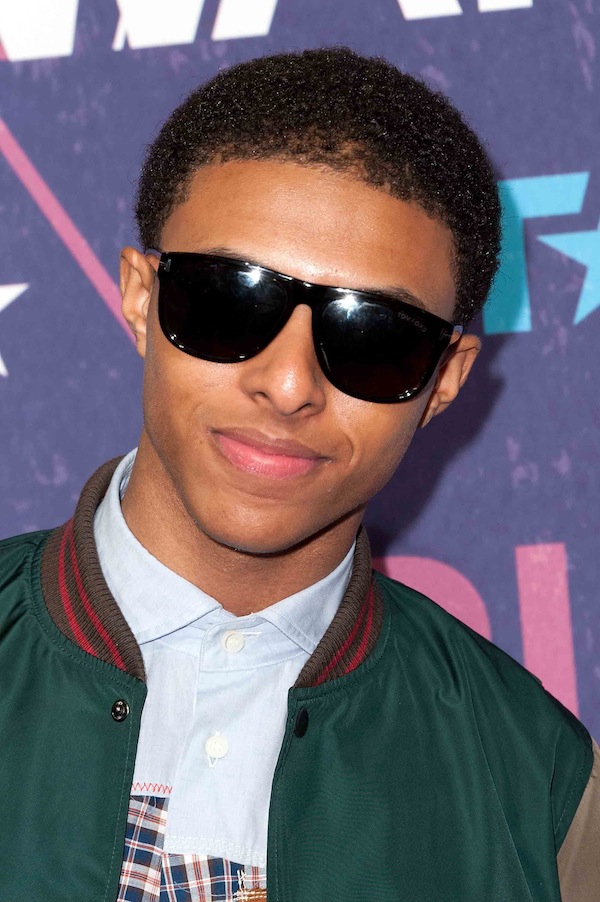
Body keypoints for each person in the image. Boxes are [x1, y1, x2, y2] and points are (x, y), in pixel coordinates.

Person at [0, 47, 597, 902]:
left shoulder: (542, 786)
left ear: (445, 382)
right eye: (230, 299)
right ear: (140, 299)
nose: (288, 386)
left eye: (373, 336)